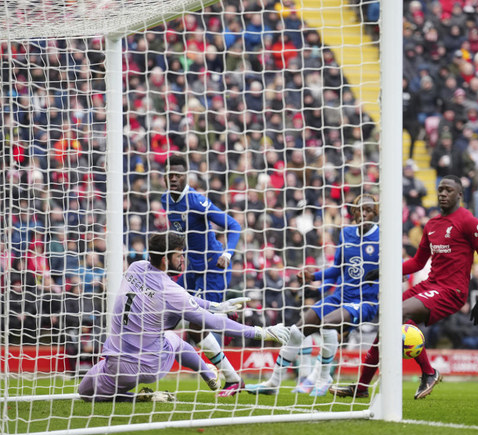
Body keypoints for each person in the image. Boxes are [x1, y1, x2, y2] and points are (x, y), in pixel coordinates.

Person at [330, 176, 478, 399]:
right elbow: (418, 262)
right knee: (387, 319)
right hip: (430, 285)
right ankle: (362, 388)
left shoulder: (468, 221)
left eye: (449, 190)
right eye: (440, 190)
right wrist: (384, 270)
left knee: (398, 313)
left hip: (451, 291)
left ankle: (428, 372)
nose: (443, 194)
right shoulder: (432, 225)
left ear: (460, 195)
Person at [77, 233, 289, 402]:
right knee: (174, 340)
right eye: (179, 256)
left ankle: (208, 375)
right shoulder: (170, 290)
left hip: (114, 361)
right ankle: (207, 374)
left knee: (85, 392)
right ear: (164, 259)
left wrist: (216, 305)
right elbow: (212, 322)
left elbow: (182, 299)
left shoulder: (136, 267)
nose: (182, 260)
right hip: (147, 366)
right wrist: (262, 332)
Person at [245, 194, 380, 397]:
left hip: (365, 301)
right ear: (353, 213)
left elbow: (401, 271)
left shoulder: (383, 238)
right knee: (297, 331)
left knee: (327, 323)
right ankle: (273, 383)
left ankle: (323, 377)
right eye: (360, 210)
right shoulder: (347, 234)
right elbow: (337, 269)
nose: (364, 214)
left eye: (369, 210)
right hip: (340, 295)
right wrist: (313, 277)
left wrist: (383, 273)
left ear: (375, 213)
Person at [161, 154, 245, 397]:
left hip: (212, 267)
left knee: (197, 326)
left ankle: (231, 377)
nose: (173, 178)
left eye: (178, 174)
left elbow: (234, 225)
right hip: (191, 270)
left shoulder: (196, 201)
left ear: (186, 175)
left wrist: (227, 254)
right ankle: (231, 375)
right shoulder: (166, 199)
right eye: (170, 174)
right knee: (171, 318)